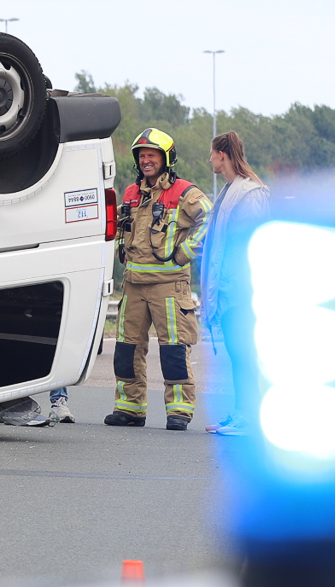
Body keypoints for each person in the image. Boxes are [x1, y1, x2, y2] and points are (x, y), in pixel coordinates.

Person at [106, 128, 212, 430]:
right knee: (126, 349)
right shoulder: (130, 192)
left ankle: (179, 411)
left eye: (152, 155)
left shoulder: (185, 193)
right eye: (141, 156)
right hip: (133, 285)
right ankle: (130, 408)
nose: (146, 161)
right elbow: (120, 229)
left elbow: (210, 219)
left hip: (169, 286)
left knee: (174, 350)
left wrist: (186, 251)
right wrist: (119, 251)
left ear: (166, 159)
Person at [196, 132, 270, 436]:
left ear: (222, 155)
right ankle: (241, 413)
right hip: (227, 291)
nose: (209, 159)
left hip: (241, 293)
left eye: (212, 153)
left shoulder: (249, 193)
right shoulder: (230, 191)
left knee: (244, 355)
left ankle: (250, 418)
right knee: (237, 355)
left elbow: (249, 244)